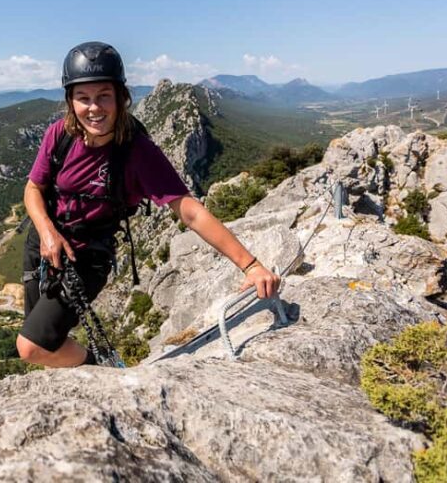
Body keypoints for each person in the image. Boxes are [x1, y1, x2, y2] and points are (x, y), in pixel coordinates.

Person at [16, 41, 281, 368]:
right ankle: (83, 373)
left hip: (87, 255)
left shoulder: (136, 152)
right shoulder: (60, 135)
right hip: (43, 244)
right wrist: (45, 231)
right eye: (83, 98)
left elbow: (190, 210)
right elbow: (33, 188)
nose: (94, 108)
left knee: (31, 347)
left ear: (120, 99)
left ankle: (103, 371)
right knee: (43, 344)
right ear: (71, 101)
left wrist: (251, 265)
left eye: (103, 96)